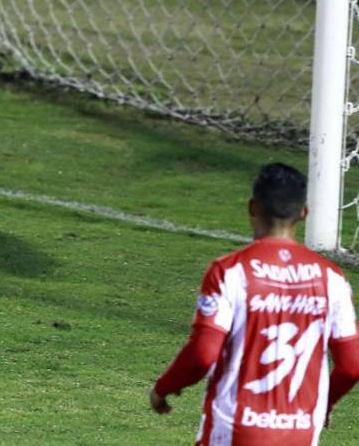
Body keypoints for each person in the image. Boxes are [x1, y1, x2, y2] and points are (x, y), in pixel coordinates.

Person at [150, 163, 359, 444]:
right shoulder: (332, 278)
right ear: (304, 212)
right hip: (299, 432)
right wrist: (325, 402)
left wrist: (164, 387)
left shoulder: (230, 271)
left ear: (253, 207)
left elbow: (202, 354)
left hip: (235, 429)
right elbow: (352, 365)